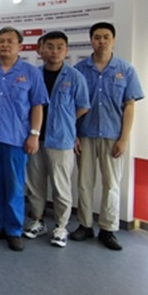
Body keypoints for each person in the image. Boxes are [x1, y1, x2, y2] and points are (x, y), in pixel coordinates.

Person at [0, 27, 48, 251]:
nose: (4, 45)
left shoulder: (31, 73)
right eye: (1, 41)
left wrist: (34, 135)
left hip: (16, 139)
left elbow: (37, 106)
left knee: (14, 185)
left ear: (19, 46)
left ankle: (13, 229)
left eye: (9, 41)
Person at [72, 22, 144, 251]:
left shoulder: (126, 69)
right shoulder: (80, 69)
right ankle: (85, 224)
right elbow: (72, 106)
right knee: (84, 183)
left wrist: (124, 138)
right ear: (91, 40)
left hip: (113, 135)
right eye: (97, 37)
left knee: (111, 184)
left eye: (106, 37)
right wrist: (74, 135)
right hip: (85, 134)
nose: (101, 41)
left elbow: (130, 105)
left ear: (113, 40)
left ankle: (108, 228)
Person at [23, 31, 89, 247]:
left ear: (66, 50)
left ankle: (61, 226)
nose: (54, 51)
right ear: (41, 50)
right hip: (34, 138)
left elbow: (83, 107)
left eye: (60, 47)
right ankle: (38, 220)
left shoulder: (75, 77)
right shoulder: (33, 74)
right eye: (49, 46)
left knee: (61, 186)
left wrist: (65, 122)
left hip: (61, 140)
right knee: (35, 184)